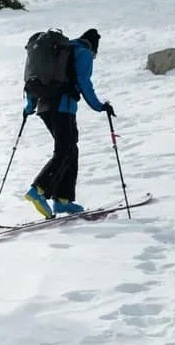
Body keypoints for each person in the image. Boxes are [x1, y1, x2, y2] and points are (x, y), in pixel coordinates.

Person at [23, 28, 114, 218]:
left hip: (45, 108)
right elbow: (83, 81)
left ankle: (63, 199)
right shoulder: (83, 53)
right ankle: (38, 190)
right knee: (65, 149)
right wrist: (99, 106)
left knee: (70, 149)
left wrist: (29, 106)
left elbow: (34, 81)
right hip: (63, 107)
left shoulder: (58, 52)